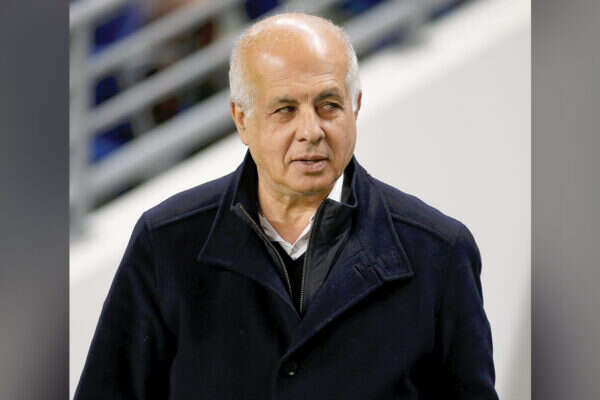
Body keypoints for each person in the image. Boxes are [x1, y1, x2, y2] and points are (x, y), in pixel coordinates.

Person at [75, 13, 499, 399]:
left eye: (328, 106)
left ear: (355, 107)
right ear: (241, 119)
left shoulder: (439, 252)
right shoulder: (166, 243)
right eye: (285, 109)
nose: (310, 131)